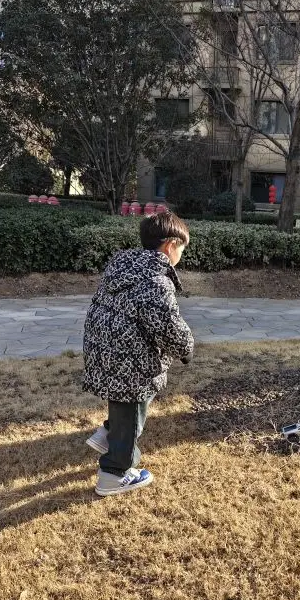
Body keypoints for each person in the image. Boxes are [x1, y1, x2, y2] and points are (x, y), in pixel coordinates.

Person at [82, 210, 194, 496]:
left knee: (124, 403)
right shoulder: (155, 281)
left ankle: (108, 434)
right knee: (133, 410)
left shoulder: (124, 268)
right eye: (182, 248)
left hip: (105, 350)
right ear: (170, 245)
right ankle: (115, 473)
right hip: (132, 360)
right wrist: (186, 348)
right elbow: (168, 326)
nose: (181, 255)